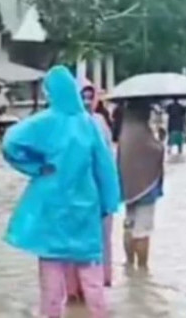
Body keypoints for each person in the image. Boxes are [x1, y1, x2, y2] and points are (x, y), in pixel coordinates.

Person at [3, 66, 120, 318]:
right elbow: (105, 168)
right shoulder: (90, 125)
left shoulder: (44, 122)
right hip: (85, 210)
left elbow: (10, 142)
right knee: (92, 277)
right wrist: (109, 204)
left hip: (52, 209)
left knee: (51, 281)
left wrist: (34, 167)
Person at [65, 83, 115, 302]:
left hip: (96, 191)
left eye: (89, 97)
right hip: (70, 193)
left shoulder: (100, 123)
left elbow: (108, 162)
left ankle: (95, 286)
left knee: (98, 239)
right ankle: (73, 289)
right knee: (70, 240)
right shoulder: (64, 124)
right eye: (82, 97)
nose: (86, 102)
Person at [118, 100, 165, 270]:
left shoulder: (126, 130)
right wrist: (160, 138)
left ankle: (129, 264)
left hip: (128, 188)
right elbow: (156, 151)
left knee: (129, 225)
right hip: (145, 188)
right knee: (143, 231)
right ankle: (143, 269)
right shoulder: (142, 132)